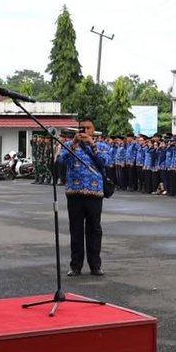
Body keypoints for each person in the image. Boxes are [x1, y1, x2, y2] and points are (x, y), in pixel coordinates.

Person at [59, 116, 111, 276]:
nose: (85, 131)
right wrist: (74, 144)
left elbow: (105, 162)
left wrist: (92, 145)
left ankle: (95, 265)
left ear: (93, 130)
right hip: (74, 192)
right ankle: (76, 265)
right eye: (82, 128)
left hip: (94, 193)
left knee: (94, 229)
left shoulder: (101, 146)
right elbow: (61, 161)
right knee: (76, 230)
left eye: (89, 128)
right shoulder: (69, 145)